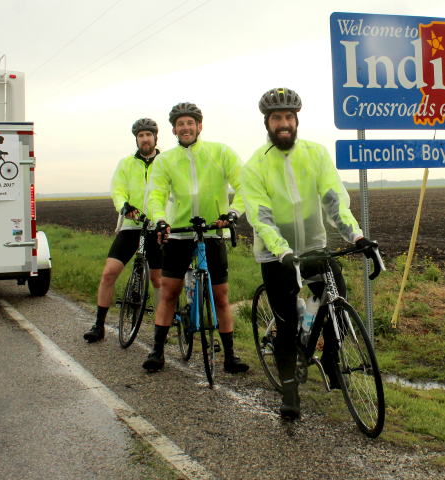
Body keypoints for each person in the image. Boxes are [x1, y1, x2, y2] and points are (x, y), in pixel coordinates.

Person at [241, 88, 377, 419]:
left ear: (296, 120)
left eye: (289, 117)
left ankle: (330, 355)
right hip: (277, 255)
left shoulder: (315, 154)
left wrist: (356, 235)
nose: (283, 123)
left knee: (338, 302)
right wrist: (282, 251)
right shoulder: (255, 165)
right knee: (286, 325)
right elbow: (261, 218)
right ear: (267, 123)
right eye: (277, 118)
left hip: (314, 246)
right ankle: (289, 390)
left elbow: (334, 201)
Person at [142, 102, 249, 374]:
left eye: (190, 123)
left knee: (221, 297)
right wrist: (160, 220)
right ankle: (157, 351)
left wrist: (233, 213)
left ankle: (230, 356)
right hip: (178, 234)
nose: (185, 128)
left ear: (200, 126)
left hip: (212, 232)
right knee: (169, 292)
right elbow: (155, 195)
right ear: (174, 130)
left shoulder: (220, 152)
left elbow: (244, 185)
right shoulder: (165, 160)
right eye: (180, 124)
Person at [84, 118, 163, 342]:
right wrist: (124, 207)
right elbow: (117, 189)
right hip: (131, 226)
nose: (145, 139)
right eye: (141, 136)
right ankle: (99, 325)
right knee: (109, 272)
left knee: (158, 281)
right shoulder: (126, 163)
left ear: (155, 137)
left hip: (157, 227)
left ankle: (160, 329)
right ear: (136, 139)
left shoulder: (166, 162)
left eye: (149, 135)